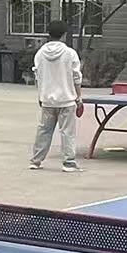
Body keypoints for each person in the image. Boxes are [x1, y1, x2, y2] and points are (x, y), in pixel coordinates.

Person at [27, 21, 84, 172]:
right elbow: (76, 77)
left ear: (49, 34)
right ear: (64, 35)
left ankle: (36, 161)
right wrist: (79, 96)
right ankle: (68, 163)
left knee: (43, 131)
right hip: (66, 100)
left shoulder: (40, 54)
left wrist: (40, 96)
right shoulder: (70, 53)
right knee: (67, 133)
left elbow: (38, 77)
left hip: (47, 100)